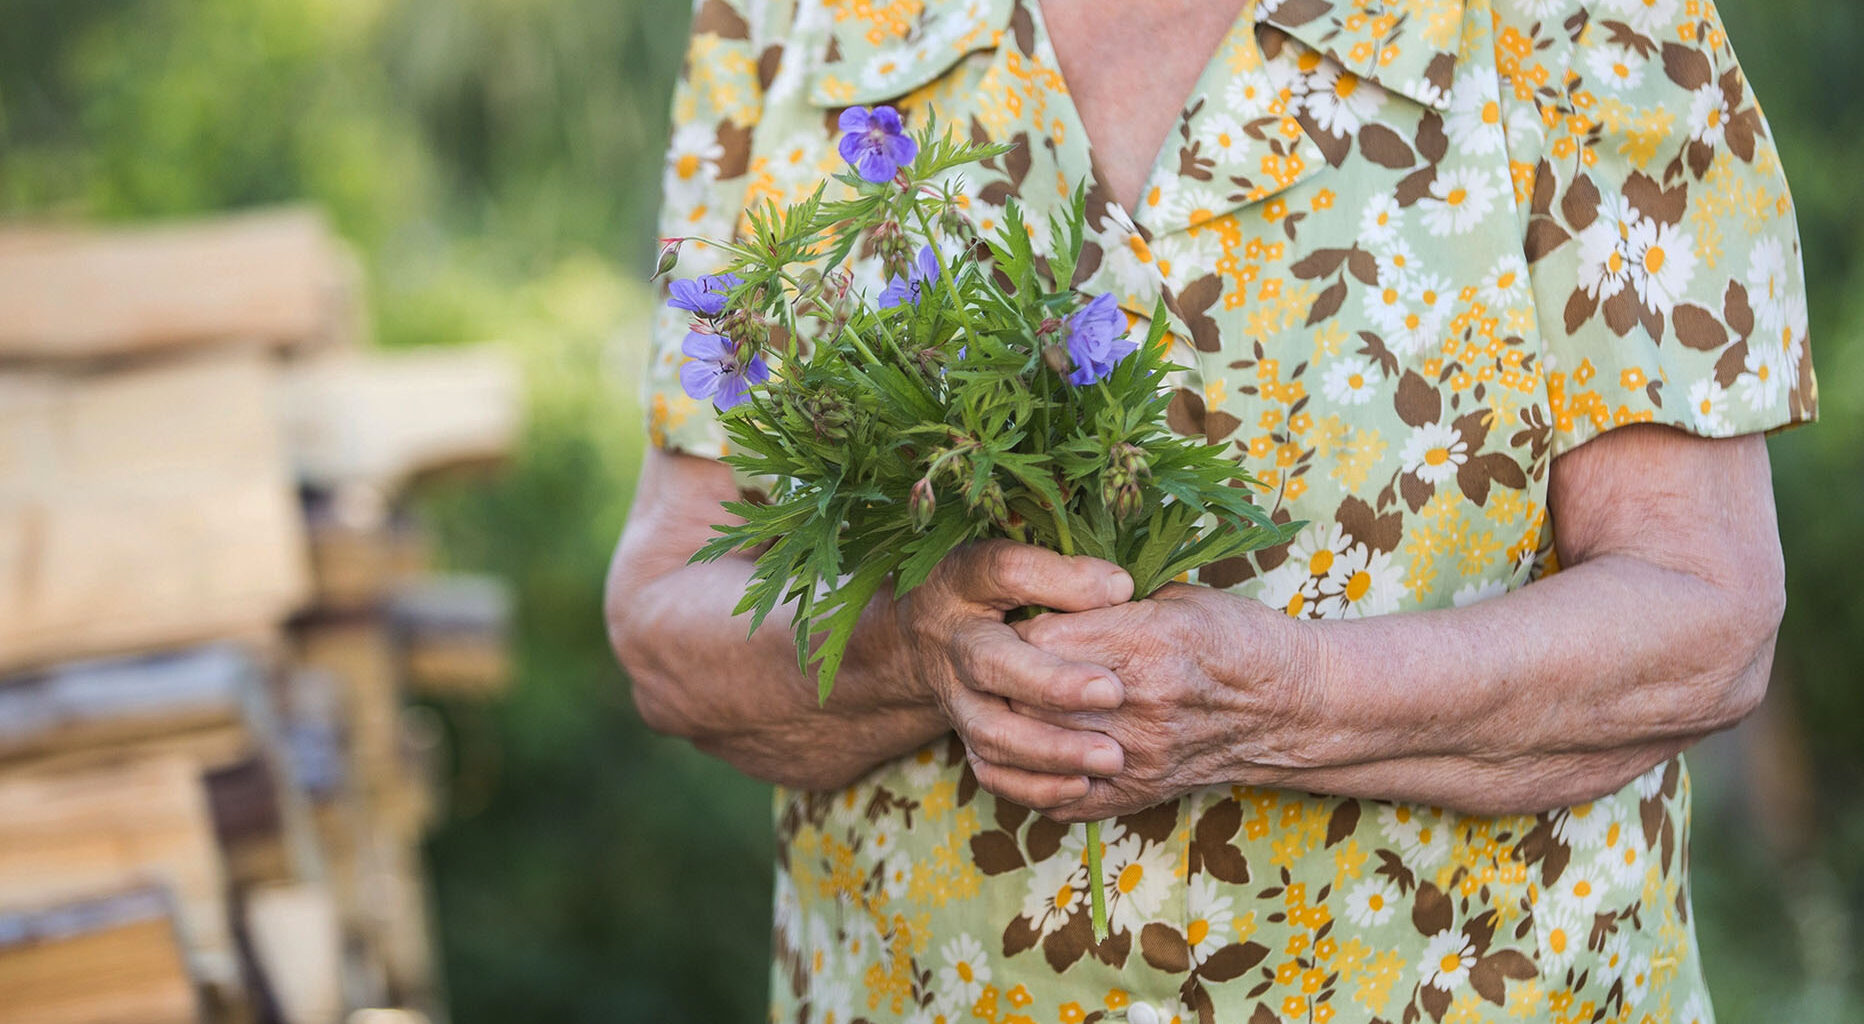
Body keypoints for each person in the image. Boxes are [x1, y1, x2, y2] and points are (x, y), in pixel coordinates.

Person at [607, 0, 1817, 1019]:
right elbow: (668, 622)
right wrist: (918, 647)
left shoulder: (1575, 18)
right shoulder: (791, 23)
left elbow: (1705, 617)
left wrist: (1279, 698)